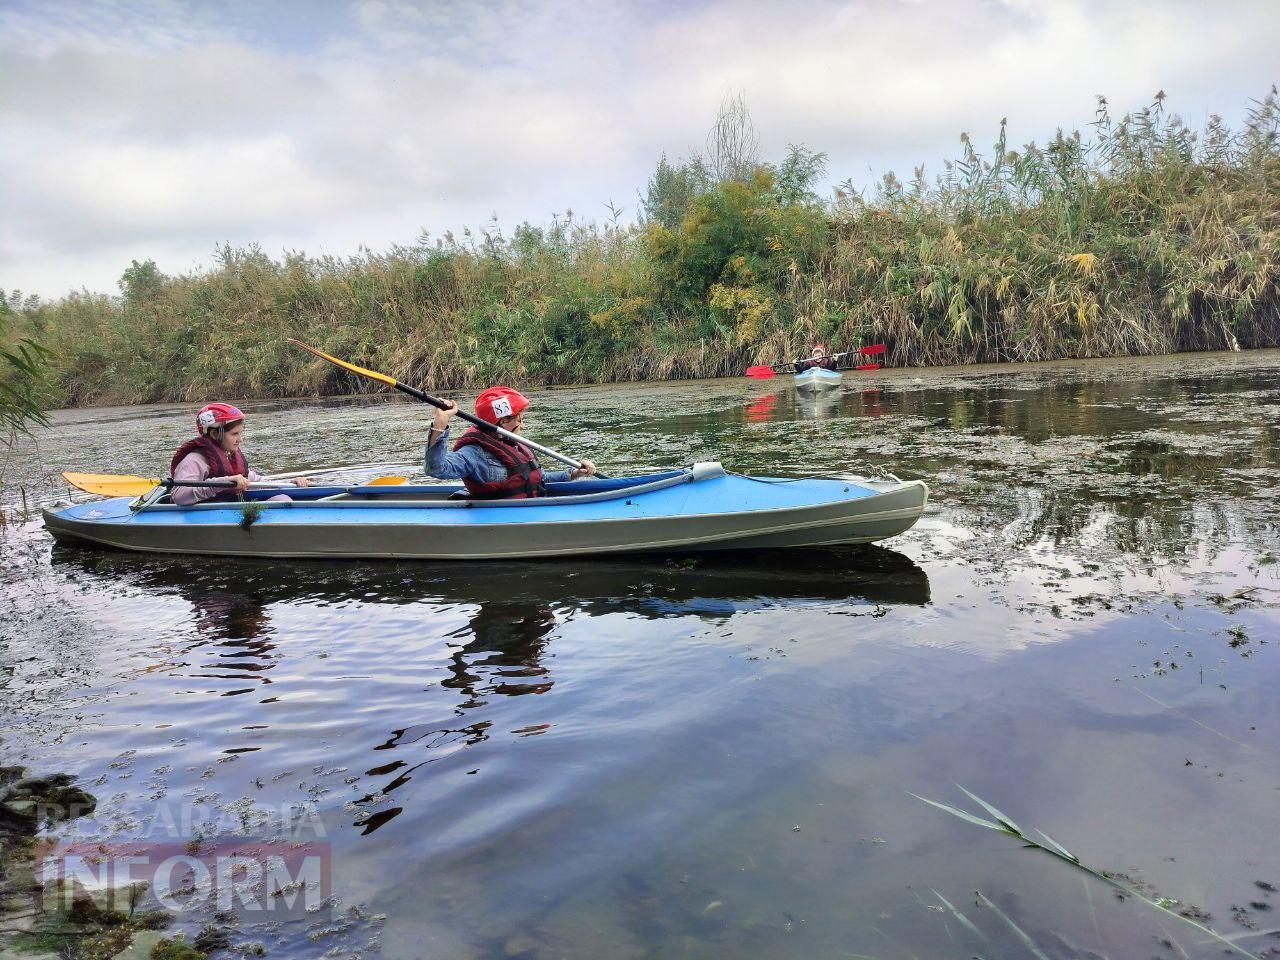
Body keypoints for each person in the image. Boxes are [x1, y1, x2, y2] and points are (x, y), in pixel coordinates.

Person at [425, 386, 595, 499]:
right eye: (519, 419)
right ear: (503, 421)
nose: (523, 424)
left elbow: (538, 479)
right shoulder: (474, 453)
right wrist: (440, 423)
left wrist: (574, 474)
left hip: (529, 512)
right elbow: (436, 469)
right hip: (499, 521)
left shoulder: (514, 444)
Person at [169, 403, 310, 506]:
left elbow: (257, 481)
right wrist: (222, 483)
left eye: (240, 433)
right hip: (206, 514)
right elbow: (179, 496)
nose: (240, 439)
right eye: (234, 434)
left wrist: (289, 483)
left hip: (229, 508)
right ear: (214, 434)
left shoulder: (228, 455)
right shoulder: (194, 460)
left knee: (282, 499)